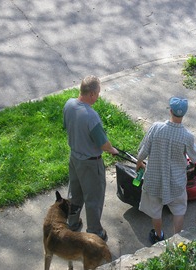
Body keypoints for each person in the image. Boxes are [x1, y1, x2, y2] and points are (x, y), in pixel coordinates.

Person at [136, 97, 196, 244]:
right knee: (179, 209)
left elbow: (143, 151)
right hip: (176, 182)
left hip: (154, 180)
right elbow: (194, 158)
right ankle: (177, 238)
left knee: (155, 210)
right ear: (184, 114)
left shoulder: (156, 127)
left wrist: (139, 163)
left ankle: (158, 235)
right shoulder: (187, 136)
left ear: (170, 110)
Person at [63, 75, 119, 241]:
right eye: (98, 92)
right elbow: (103, 144)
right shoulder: (91, 116)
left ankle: (72, 222)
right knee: (93, 198)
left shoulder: (69, 105)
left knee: (75, 192)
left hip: (74, 158)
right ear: (92, 94)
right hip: (90, 164)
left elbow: (67, 126)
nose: (99, 96)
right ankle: (94, 231)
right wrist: (112, 150)